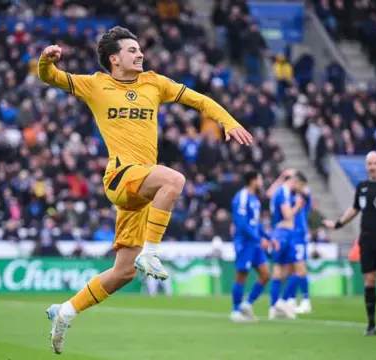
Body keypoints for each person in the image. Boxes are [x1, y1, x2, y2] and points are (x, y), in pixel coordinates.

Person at [38, 26, 253, 354]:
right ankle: (151, 253)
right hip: (120, 175)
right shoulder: (96, 84)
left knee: (123, 273)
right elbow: (50, 76)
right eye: (132, 50)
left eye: (140, 50)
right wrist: (45, 59)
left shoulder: (155, 82)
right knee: (175, 179)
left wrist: (228, 120)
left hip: (140, 189)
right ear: (114, 59)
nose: (140, 54)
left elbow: (199, 100)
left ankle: (65, 312)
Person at [323, 151, 376, 336]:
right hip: (366, 239)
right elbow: (354, 209)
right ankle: (371, 325)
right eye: (369, 163)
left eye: (375, 163)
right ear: (366, 166)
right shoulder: (362, 187)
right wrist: (337, 224)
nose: (372, 167)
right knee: (369, 281)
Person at [230, 170, 278, 322]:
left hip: (255, 242)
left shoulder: (255, 199)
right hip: (244, 242)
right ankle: (236, 311)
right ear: (252, 180)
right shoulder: (242, 196)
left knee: (265, 275)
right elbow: (241, 222)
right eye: (260, 178)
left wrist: (269, 238)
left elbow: (255, 224)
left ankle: (247, 304)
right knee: (241, 276)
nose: (261, 181)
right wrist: (259, 239)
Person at [267, 170, 312, 314]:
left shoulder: (291, 193)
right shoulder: (285, 192)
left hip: (290, 233)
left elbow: (270, 194)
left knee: (289, 269)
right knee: (294, 269)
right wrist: (283, 177)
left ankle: (284, 304)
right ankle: (285, 300)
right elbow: (286, 213)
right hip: (286, 233)